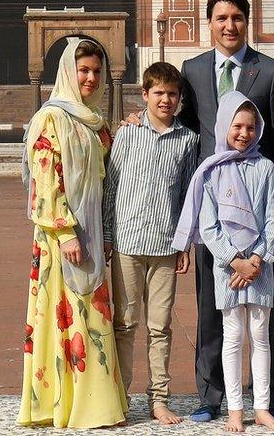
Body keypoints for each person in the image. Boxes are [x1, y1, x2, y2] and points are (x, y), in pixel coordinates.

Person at [180, 0, 274, 424]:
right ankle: (212, 395)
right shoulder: (192, 71)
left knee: (263, 309)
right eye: (221, 18)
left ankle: (266, 396)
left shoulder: (270, 72)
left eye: (237, 18)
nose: (229, 26)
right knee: (212, 303)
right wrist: (138, 118)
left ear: (247, 22)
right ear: (209, 23)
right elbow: (182, 130)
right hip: (215, 207)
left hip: (260, 204)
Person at [18, 38, 127, 429]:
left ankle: (94, 403)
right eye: (83, 70)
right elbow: (46, 178)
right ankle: (66, 405)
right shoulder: (51, 118)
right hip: (60, 236)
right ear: (68, 72)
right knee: (66, 316)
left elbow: (109, 175)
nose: (91, 77)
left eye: (96, 71)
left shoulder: (94, 121)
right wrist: (65, 232)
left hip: (93, 233)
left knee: (93, 316)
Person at [172, 92, 274, 432]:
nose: (244, 134)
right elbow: (208, 226)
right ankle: (236, 408)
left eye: (251, 127)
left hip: (260, 266)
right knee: (233, 335)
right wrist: (235, 261)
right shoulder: (211, 171)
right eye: (237, 126)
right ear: (224, 126)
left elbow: (273, 218)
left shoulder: (266, 167)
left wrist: (257, 259)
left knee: (260, 335)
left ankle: (262, 406)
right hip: (227, 267)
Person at [103, 62, 199, 425]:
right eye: (158, 92)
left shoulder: (187, 140)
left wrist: (185, 244)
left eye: (172, 94)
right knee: (125, 324)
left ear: (179, 99)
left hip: (164, 246)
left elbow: (188, 196)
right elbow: (111, 188)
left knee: (160, 328)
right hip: (128, 242)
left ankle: (159, 398)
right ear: (144, 95)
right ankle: (121, 395)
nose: (165, 99)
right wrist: (109, 236)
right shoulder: (126, 134)